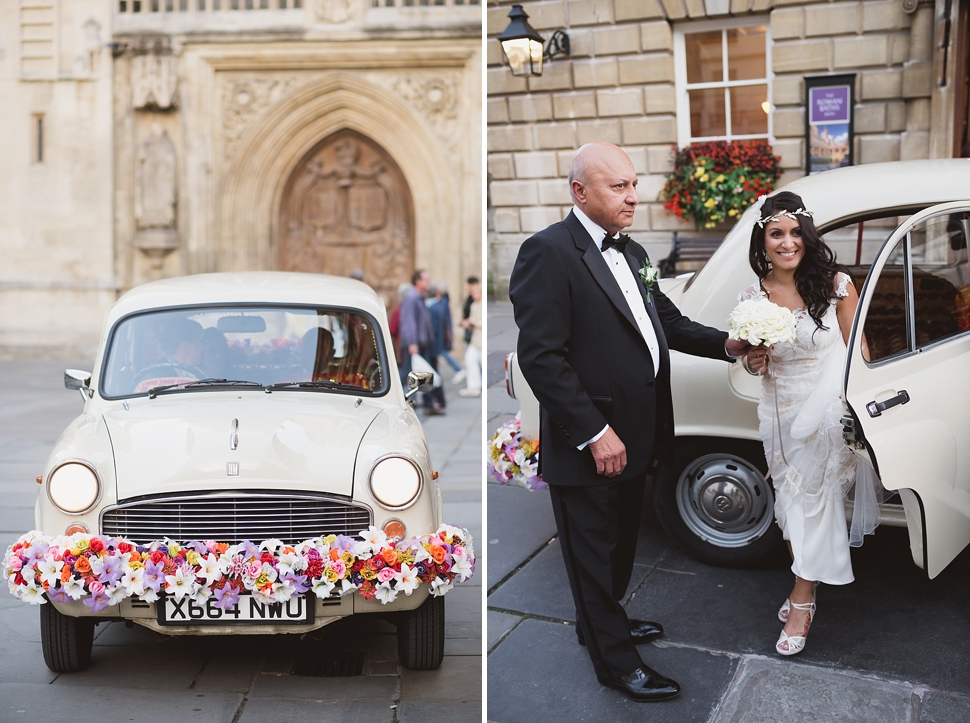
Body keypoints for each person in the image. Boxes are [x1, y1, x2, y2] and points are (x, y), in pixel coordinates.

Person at [508, 142, 748, 702]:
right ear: (579, 192)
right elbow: (542, 357)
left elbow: (665, 321)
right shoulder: (547, 252)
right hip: (591, 438)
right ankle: (615, 662)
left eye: (633, 184)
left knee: (618, 548)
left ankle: (604, 621)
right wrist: (593, 431)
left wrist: (730, 344)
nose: (633, 196)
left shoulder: (633, 250)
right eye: (618, 186)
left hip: (638, 431)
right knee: (591, 551)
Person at [740, 191, 882, 657]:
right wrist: (755, 360)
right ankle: (808, 581)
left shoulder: (837, 284)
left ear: (808, 235)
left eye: (795, 232)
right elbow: (752, 363)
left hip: (827, 411)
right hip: (779, 415)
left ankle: (802, 601)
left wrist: (853, 408)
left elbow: (857, 350)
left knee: (815, 504)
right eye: (776, 233)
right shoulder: (753, 295)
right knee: (789, 506)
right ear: (763, 239)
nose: (786, 242)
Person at [399, 269, 442, 414]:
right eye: (425, 280)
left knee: (421, 373)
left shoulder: (419, 296)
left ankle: (427, 403)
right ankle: (405, 401)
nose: (428, 282)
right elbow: (409, 322)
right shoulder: (412, 297)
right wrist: (412, 343)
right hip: (415, 343)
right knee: (409, 373)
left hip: (422, 342)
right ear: (417, 281)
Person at [458, 279, 481, 397]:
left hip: (480, 339)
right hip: (475, 339)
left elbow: (481, 322)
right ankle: (473, 386)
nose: (474, 295)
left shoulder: (481, 305)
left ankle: (476, 385)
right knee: (470, 359)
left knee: (480, 362)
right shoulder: (473, 305)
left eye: (476, 293)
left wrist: (474, 323)